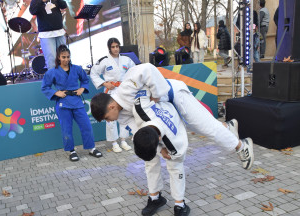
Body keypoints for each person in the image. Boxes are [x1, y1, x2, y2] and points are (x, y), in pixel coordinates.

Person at [91, 63, 254, 171]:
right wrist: (159, 148)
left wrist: (156, 94)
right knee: (200, 126)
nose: (109, 121)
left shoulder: (126, 87)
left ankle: (242, 146)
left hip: (174, 95)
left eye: (107, 117)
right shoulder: (121, 116)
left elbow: (148, 68)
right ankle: (228, 128)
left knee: (206, 127)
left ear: (111, 106)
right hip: (165, 110)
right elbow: (141, 132)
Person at [132, 92, 190, 216]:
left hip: (172, 128)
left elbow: (177, 155)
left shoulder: (176, 145)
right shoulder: (139, 107)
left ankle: (181, 205)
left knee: (175, 167)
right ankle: (155, 198)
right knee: (150, 163)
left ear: (158, 140)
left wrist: (163, 151)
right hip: (156, 123)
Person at [41, 45, 102, 161]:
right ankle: (71, 151)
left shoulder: (77, 69)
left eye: (68, 57)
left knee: (86, 126)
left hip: (77, 102)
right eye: (63, 57)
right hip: (63, 104)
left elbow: (85, 80)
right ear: (58, 57)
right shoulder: (52, 72)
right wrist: (56, 93)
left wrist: (82, 89)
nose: (66, 59)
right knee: (66, 129)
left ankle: (91, 148)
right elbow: (45, 88)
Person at [90, 38, 136, 152]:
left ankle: (123, 139)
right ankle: (114, 142)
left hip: (124, 90)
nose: (115, 49)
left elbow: (135, 71)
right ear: (109, 48)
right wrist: (104, 83)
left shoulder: (126, 59)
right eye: (113, 47)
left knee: (125, 114)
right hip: (111, 92)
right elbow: (93, 73)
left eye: (117, 46)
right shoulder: (104, 61)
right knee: (111, 116)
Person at [30, 0, 68, 70]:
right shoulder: (36, 1)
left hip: (59, 32)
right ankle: (54, 79)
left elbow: (64, 5)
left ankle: (65, 78)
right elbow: (32, 11)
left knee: (64, 58)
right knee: (51, 60)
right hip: (46, 34)